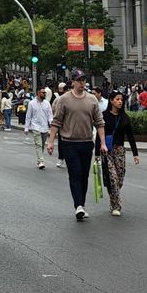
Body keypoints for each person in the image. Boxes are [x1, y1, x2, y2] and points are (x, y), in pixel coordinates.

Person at [45, 71, 101, 221]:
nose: (82, 83)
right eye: (79, 80)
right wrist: (50, 142)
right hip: (69, 143)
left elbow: (99, 122)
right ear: (73, 82)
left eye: (83, 80)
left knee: (83, 175)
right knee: (75, 173)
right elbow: (56, 122)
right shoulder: (64, 100)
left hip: (86, 142)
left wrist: (102, 143)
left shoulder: (92, 100)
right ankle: (78, 205)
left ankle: (81, 204)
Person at [99, 90, 137, 217]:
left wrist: (135, 154)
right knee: (113, 178)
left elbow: (131, 136)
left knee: (119, 178)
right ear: (111, 100)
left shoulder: (125, 117)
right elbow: (99, 135)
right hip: (107, 150)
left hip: (120, 150)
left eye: (121, 99)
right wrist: (97, 154)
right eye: (117, 99)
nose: (120, 101)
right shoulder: (104, 116)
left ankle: (113, 198)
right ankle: (116, 205)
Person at [25, 87, 53, 168]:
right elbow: (28, 116)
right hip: (35, 127)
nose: (44, 94)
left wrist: (51, 124)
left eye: (45, 93)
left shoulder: (47, 103)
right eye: (43, 92)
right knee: (38, 144)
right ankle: (41, 161)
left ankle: (40, 158)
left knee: (42, 144)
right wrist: (26, 127)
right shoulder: (31, 103)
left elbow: (50, 115)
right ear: (38, 93)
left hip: (44, 127)